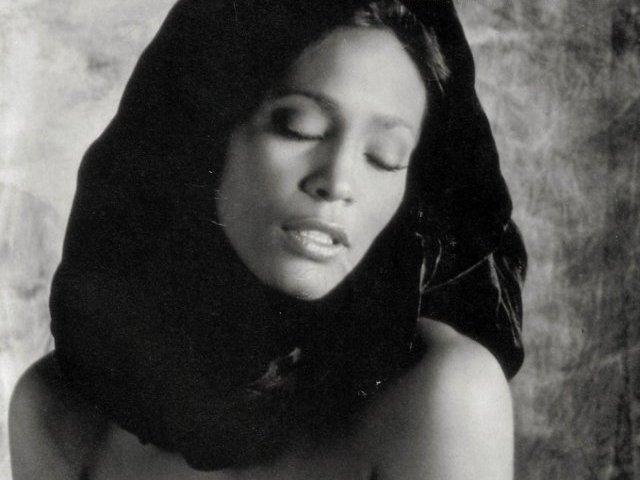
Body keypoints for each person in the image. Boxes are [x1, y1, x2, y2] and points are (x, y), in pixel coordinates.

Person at [10, 0, 527, 478]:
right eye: (298, 127)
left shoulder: (442, 392)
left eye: (384, 158)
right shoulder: (62, 410)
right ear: (206, 132)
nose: (338, 183)